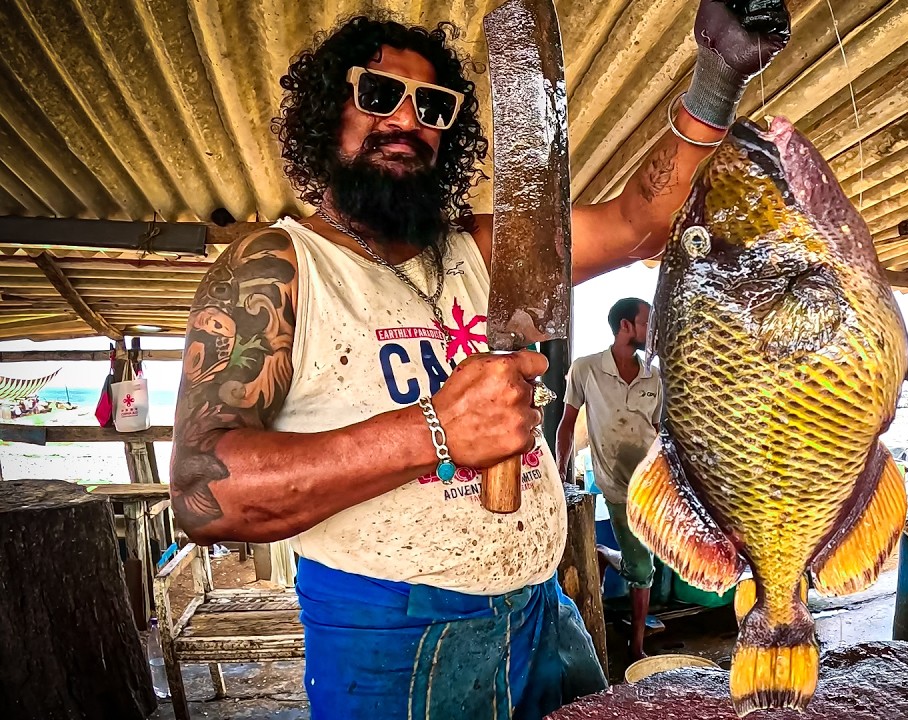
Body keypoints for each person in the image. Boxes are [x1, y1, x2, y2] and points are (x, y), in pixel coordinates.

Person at [167, 4, 790, 718]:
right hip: (393, 635)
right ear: (326, 114)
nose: (406, 121)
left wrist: (717, 76)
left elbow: (639, 224)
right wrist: (433, 431)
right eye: (378, 95)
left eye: (432, 107)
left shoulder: (484, 249)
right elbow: (199, 491)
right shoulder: (278, 266)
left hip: (542, 611)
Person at [555, 298, 661, 662]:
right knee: (643, 565)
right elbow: (567, 423)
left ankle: (604, 554)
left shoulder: (655, 375)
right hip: (617, 484)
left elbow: (659, 430)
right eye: (648, 322)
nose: (654, 330)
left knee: (646, 557)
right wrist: (560, 469)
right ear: (626, 327)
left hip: (653, 486)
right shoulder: (587, 368)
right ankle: (636, 650)